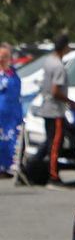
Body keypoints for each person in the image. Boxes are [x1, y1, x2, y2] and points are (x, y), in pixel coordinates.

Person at [31, 33, 75, 188]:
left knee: (48, 141)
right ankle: (53, 176)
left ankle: (31, 168)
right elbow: (55, 91)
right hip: (55, 111)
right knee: (55, 143)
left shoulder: (49, 61)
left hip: (47, 108)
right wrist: (72, 103)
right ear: (65, 47)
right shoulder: (59, 66)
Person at [0, 45, 21, 180]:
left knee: (9, 142)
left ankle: (5, 167)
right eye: (1, 56)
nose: (2, 59)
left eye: (5, 56)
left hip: (11, 114)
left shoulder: (13, 74)